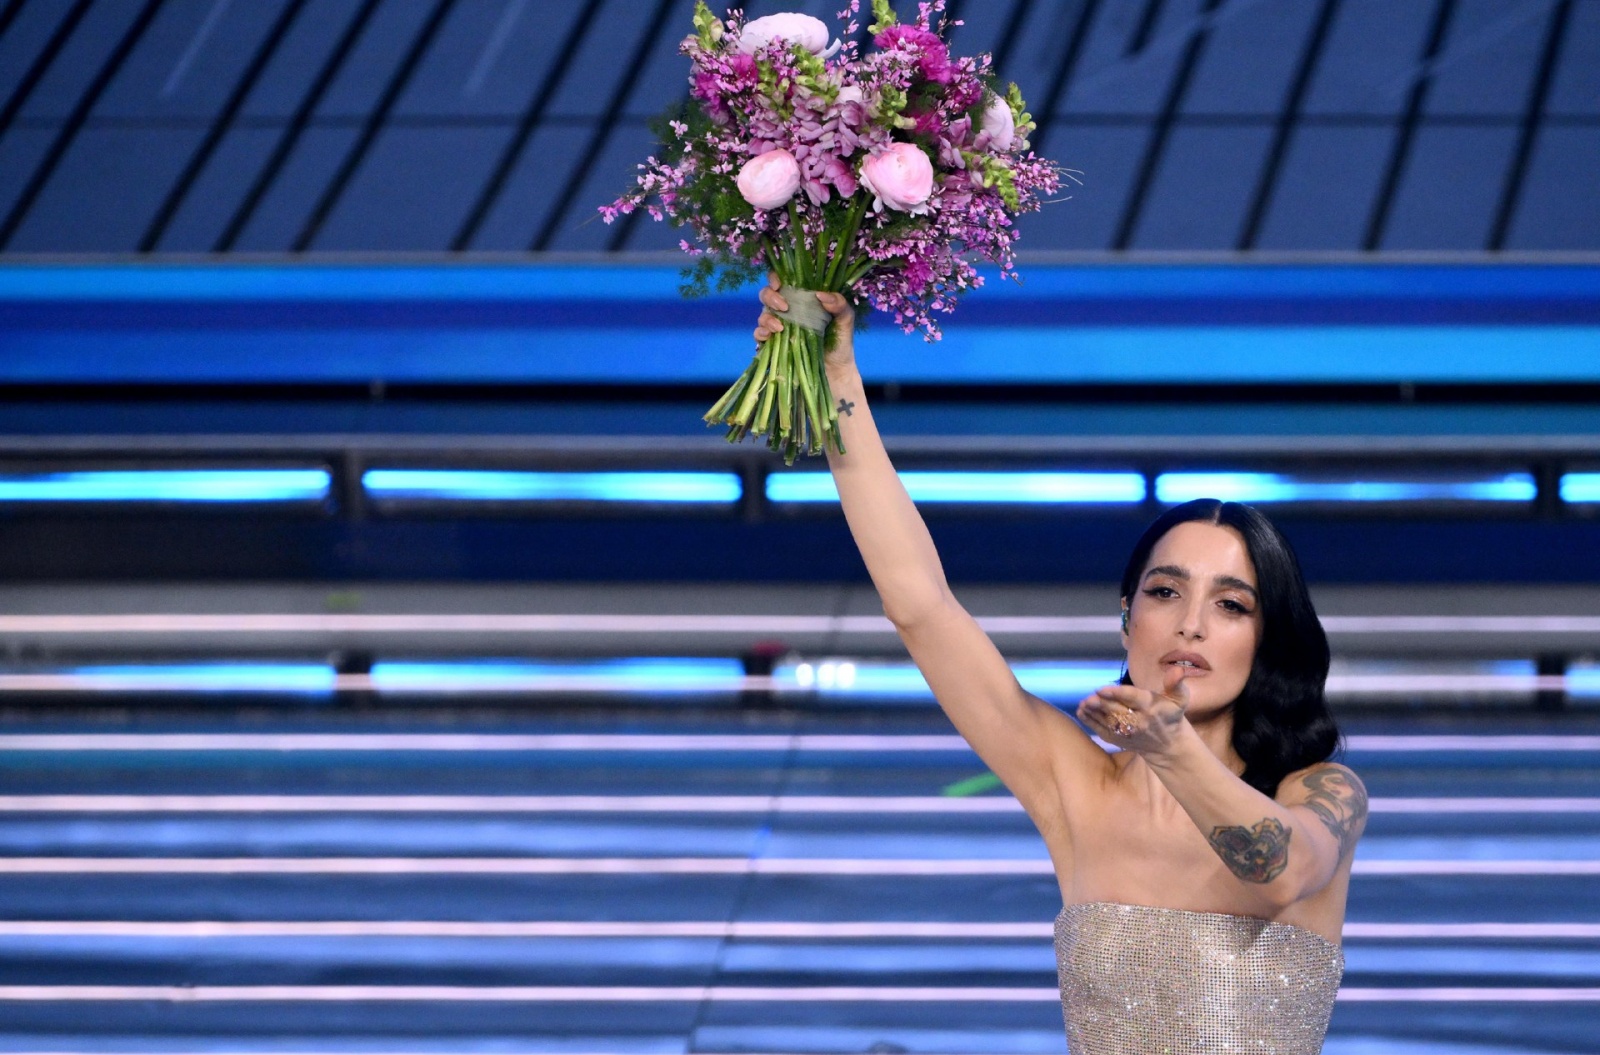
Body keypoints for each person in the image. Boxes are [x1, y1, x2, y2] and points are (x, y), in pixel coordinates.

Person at [754, 275, 1368, 1055]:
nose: (1190, 624)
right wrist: (837, 374)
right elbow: (920, 605)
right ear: (1126, 614)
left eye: (1231, 604)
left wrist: (1173, 751)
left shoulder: (1322, 790)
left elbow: (1279, 869)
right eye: (1166, 590)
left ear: (1267, 634)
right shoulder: (1073, 783)